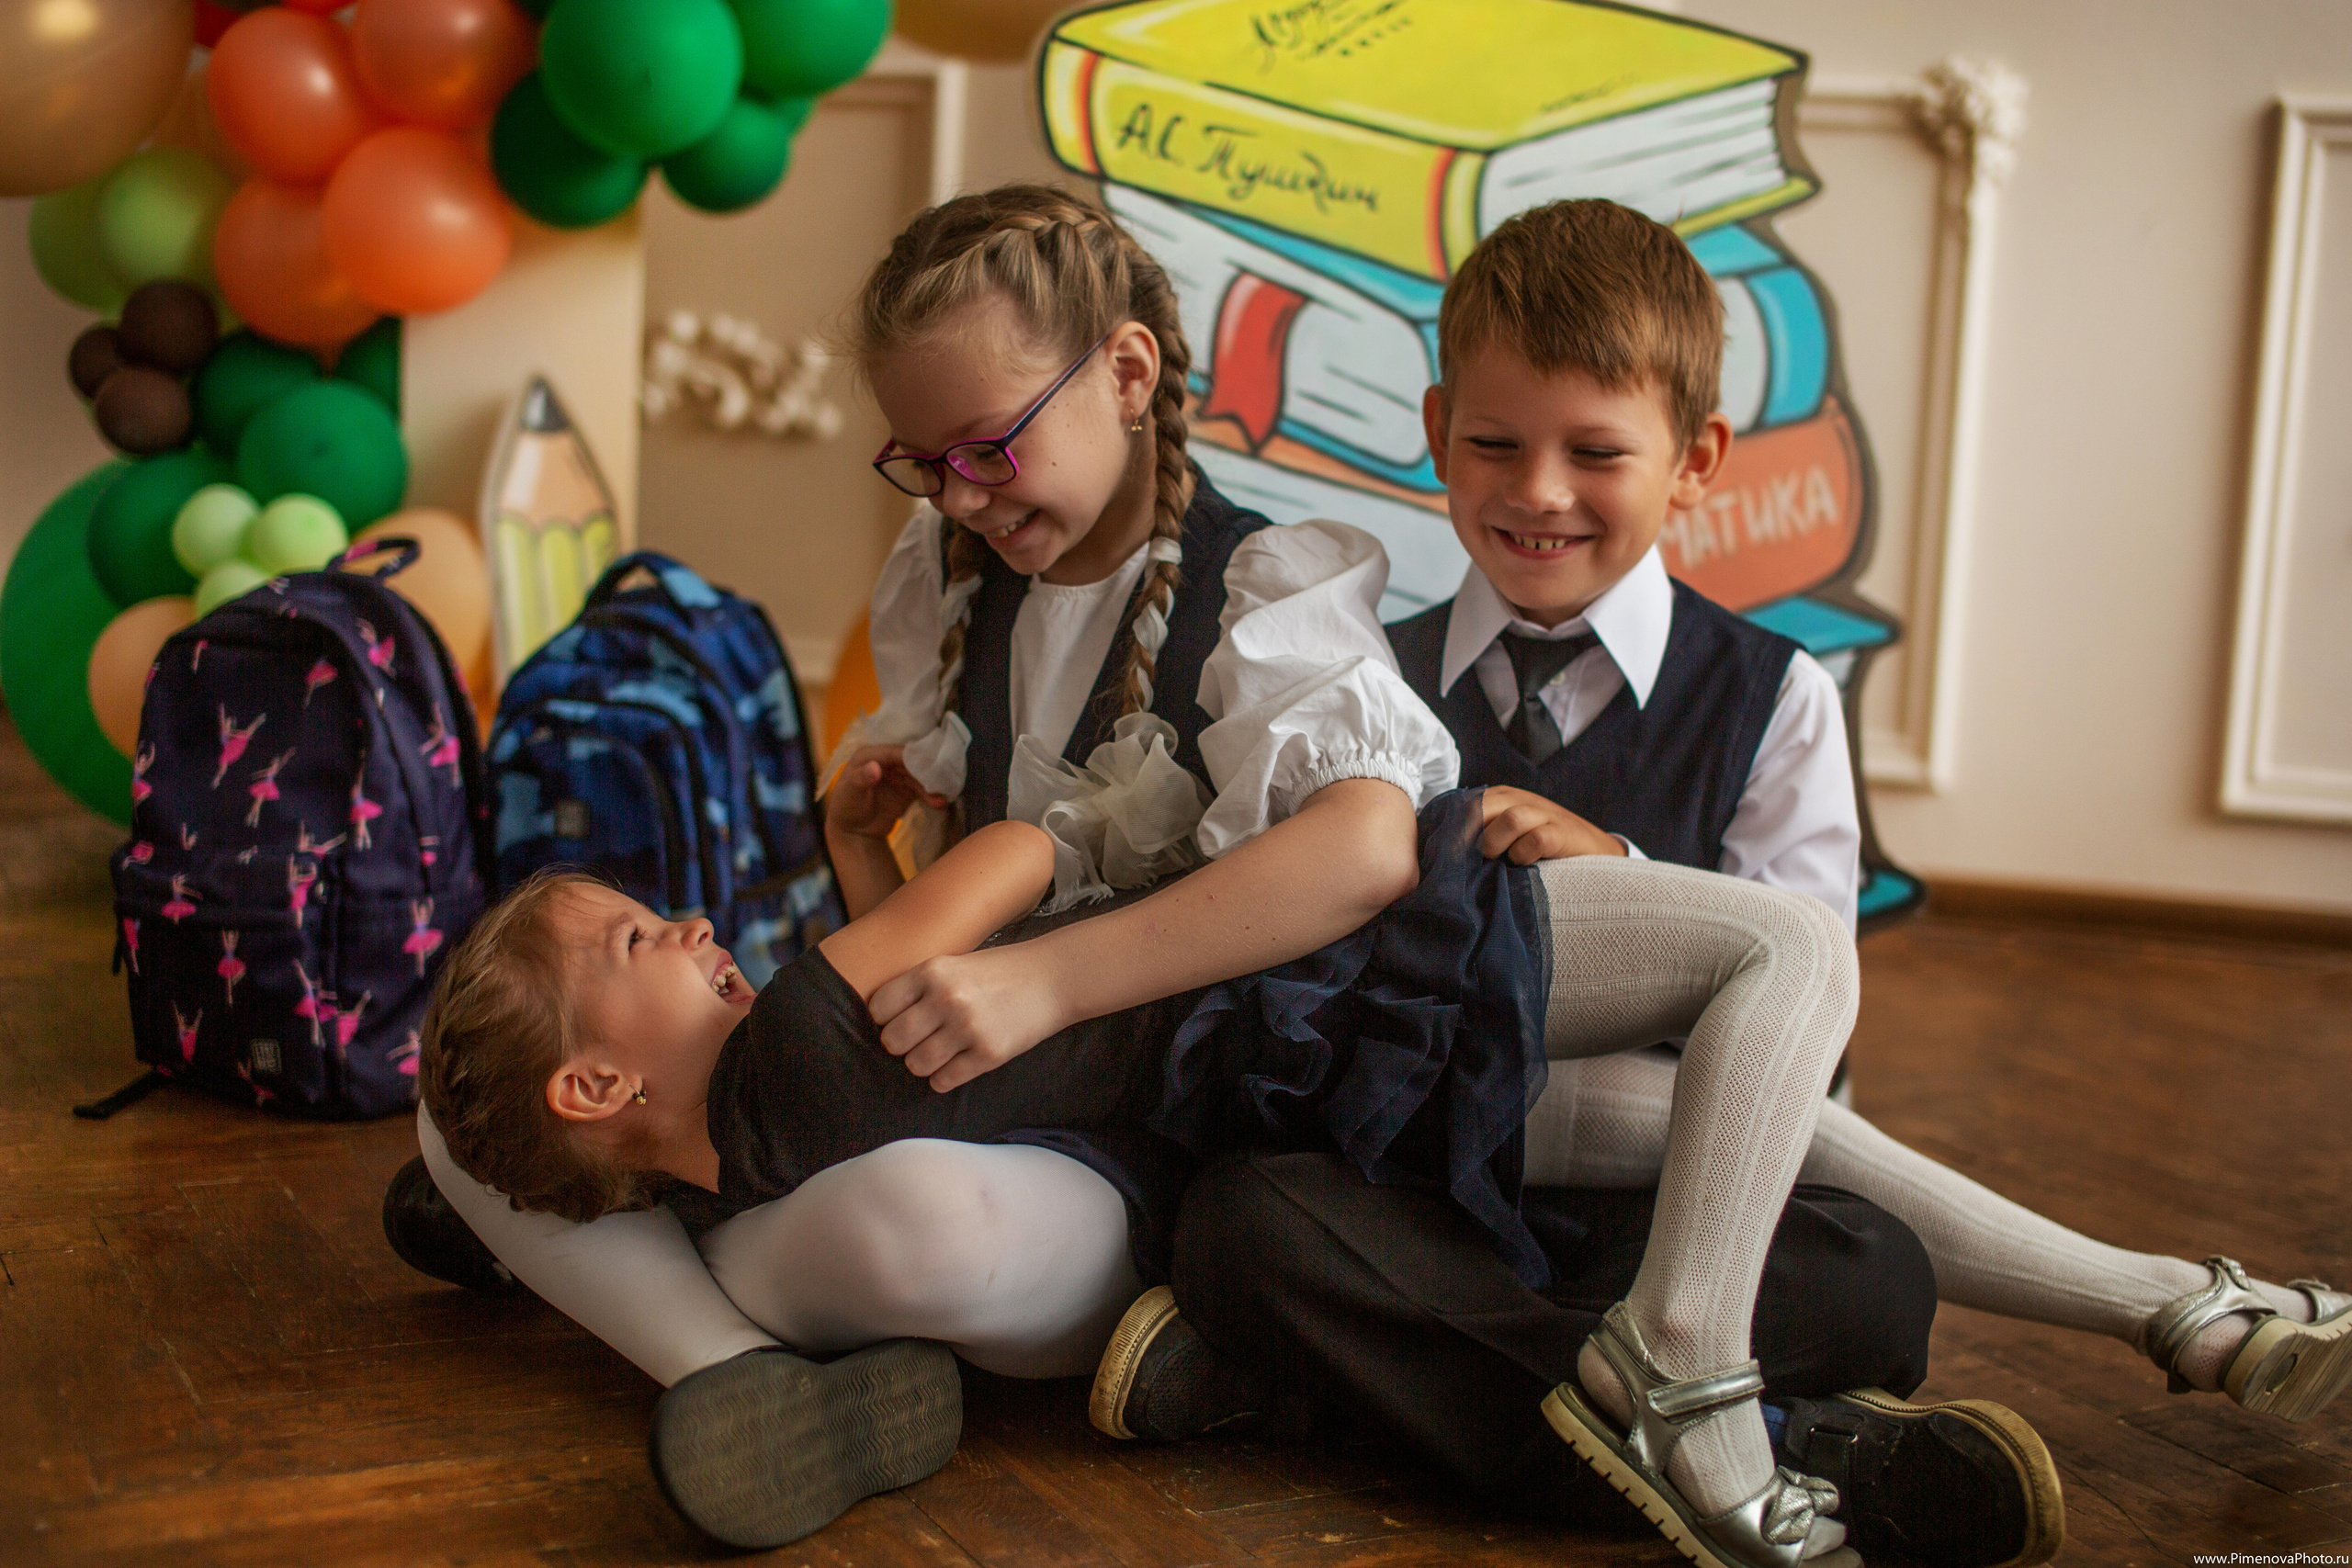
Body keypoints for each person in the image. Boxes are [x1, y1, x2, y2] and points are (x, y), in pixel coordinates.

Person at [388, 183, 1936, 1553]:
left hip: (1141, 1128)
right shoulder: (952, 574)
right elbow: (913, 1013)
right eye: (923, 468)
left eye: (990, 449)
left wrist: (1042, 972)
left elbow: (1366, 849)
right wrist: (864, 850)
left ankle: (690, 1292)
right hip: (982, 1096)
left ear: (1127, 373)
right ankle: (728, 1350)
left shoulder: (1270, 593)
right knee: (458, 1092)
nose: (966, 499)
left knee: (890, 1219)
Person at [1113, 198, 2352, 1568]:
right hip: (1420, 1182)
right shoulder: (1360, 682)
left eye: (1596, 452)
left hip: (1658, 1198)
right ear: (1433, 431)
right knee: (1249, 1224)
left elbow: (1803, 1049)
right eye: (1495, 444)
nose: (1537, 492)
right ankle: (1815, 1443)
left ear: (1696, 458)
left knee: (1876, 1280)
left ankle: (1326, 1389)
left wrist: (1627, 876)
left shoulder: (1774, 699)